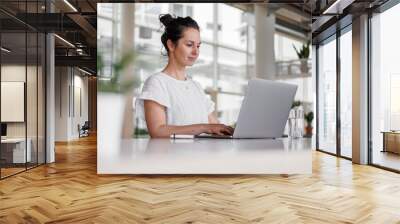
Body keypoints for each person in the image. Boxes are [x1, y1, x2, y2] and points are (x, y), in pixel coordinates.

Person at [135, 14, 234, 138]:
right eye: (189, 45)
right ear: (171, 45)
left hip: (202, 156)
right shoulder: (157, 83)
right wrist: (204, 127)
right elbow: (157, 130)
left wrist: (234, 130)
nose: (196, 52)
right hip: (173, 156)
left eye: (198, 46)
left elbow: (215, 125)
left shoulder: (196, 87)